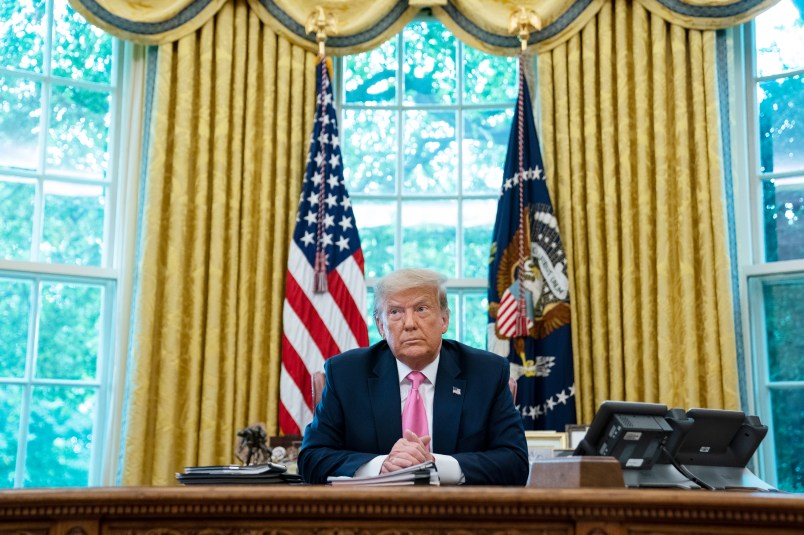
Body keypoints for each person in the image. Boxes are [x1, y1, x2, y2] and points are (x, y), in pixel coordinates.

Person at [297, 268, 529, 485]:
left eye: (421, 309)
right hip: (372, 517)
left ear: (444, 320)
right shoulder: (346, 373)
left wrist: (437, 465)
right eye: (395, 312)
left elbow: (515, 462)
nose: (409, 324)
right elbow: (311, 458)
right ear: (381, 326)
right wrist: (382, 466)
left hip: (459, 517)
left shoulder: (486, 373)